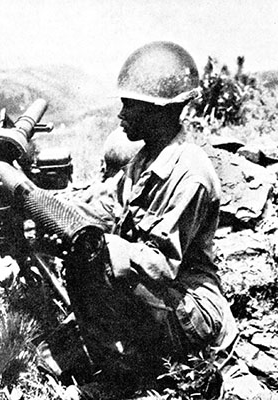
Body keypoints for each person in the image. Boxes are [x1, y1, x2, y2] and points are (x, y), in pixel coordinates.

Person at [65, 41, 239, 394]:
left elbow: (160, 265)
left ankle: (134, 378)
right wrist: (49, 210)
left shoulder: (190, 172)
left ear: (160, 112)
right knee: (81, 253)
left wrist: (102, 242)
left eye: (130, 105)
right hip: (163, 300)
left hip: (192, 309)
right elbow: (104, 206)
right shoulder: (144, 160)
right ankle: (120, 367)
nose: (121, 114)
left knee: (107, 263)